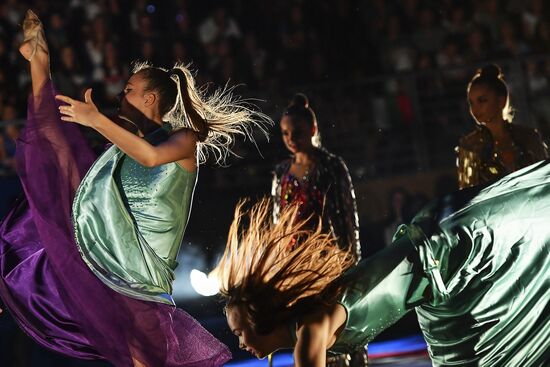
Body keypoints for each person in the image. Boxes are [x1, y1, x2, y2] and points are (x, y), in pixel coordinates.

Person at [0, 10, 269, 367]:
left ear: (151, 99)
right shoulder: (114, 156)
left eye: (129, 90)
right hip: (108, 276)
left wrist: (95, 120)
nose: (120, 96)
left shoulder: (184, 140)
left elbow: (151, 157)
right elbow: (55, 139)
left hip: (142, 286)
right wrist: (40, 64)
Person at [214, 158, 550, 367]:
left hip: (441, 253)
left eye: (241, 332)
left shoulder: (311, 330)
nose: (240, 343)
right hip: (430, 284)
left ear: (262, 320)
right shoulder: (307, 323)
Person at [272, 93, 361, 262]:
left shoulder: (332, 166)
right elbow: (278, 220)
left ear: (313, 129)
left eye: (297, 132)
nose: (291, 138)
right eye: (285, 133)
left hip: (327, 256)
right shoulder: (281, 172)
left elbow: (347, 216)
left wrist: (351, 259)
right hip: (293, 258)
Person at [456, 63, 548, 189]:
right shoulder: (470, 146)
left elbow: (545, 181)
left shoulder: (529, 136)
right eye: (471, 103)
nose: (475, 109)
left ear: (501, 101)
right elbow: (467, 194)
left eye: (482, 100)